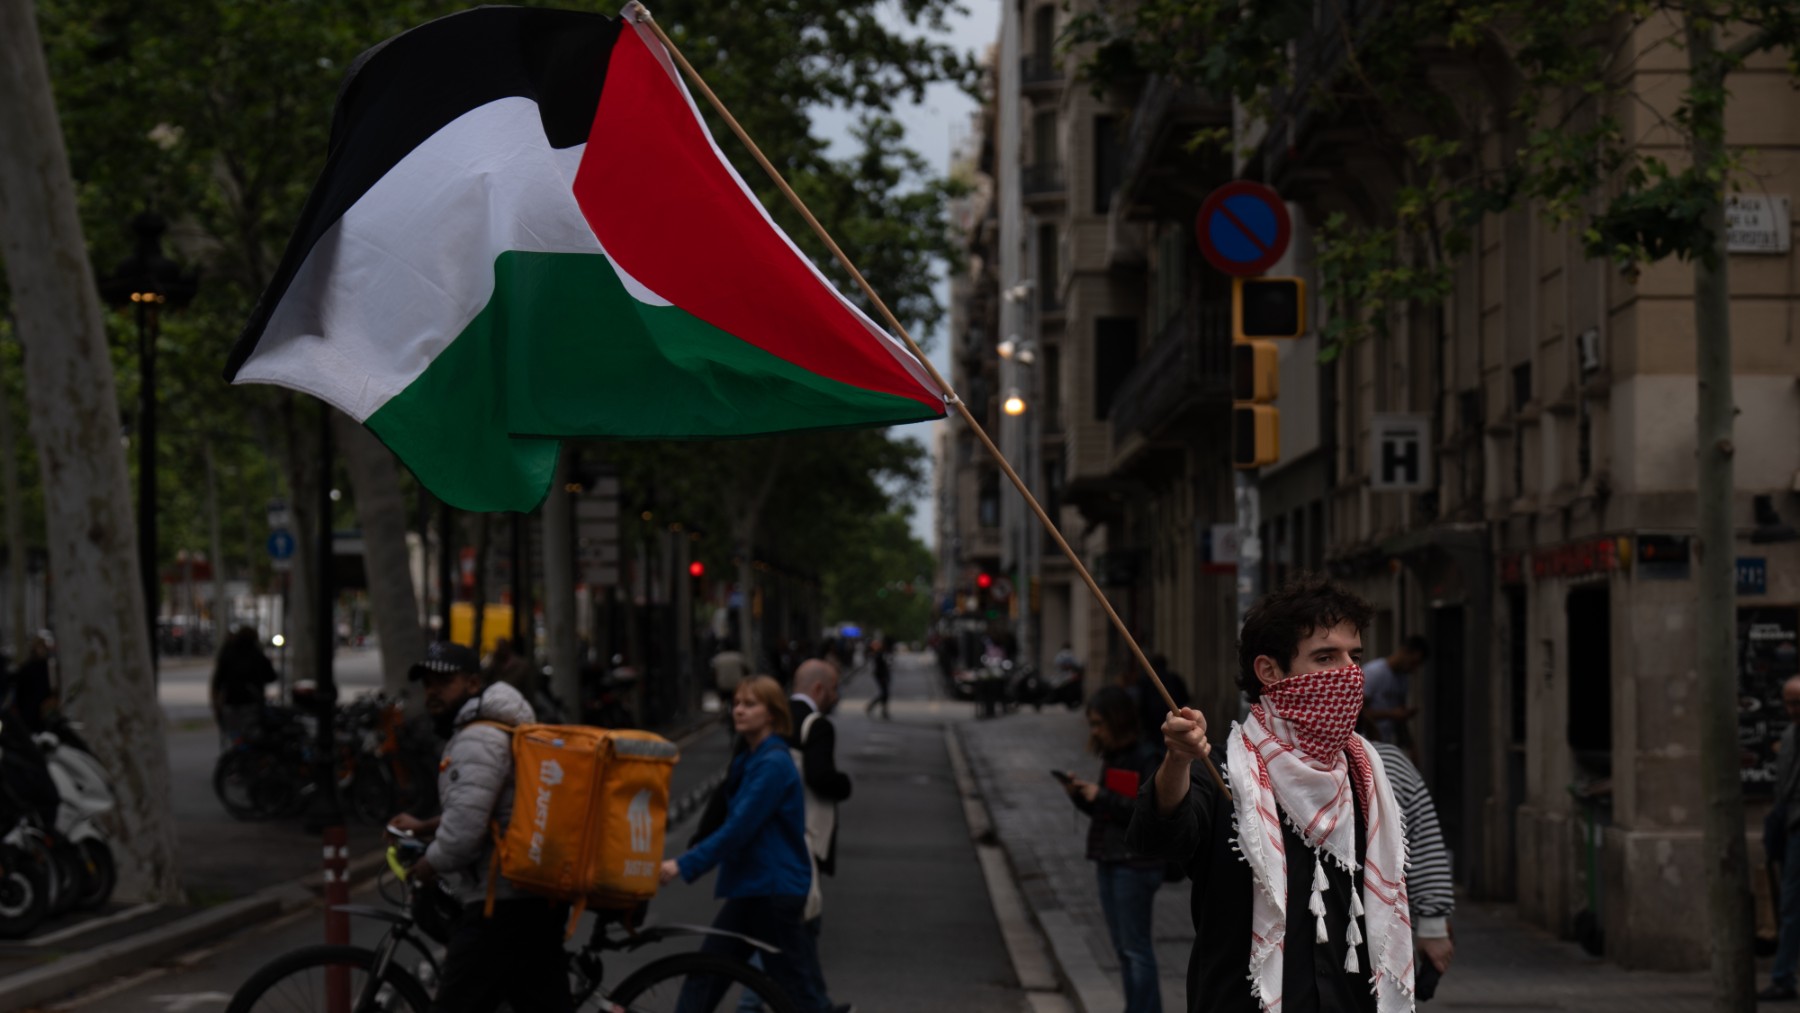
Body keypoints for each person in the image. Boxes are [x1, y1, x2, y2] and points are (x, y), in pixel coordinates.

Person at [1128, 575, 1412, 1013]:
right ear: (1269, 671)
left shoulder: (1368, 774)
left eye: (1354, 656)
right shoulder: (1222, 770)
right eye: (1325, 657)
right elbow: (1158, 837)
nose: (1349, 674)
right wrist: (1178, 760)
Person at [387, 641, 571, 1013]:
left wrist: (427, 866)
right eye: (427, 682)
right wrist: (425, 826)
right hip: (530, 895)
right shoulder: (496, 729)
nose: (432, 690)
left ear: (472, 683)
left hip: (500, 903)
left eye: (444, 680)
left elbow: (464, 835)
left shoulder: (478, 738)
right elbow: (490, 809)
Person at [660, 676, 836, 1013]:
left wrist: (682, 864)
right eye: (737, 703)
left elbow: (738, 828)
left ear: (771, 714)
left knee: (798, 995)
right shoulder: (752, 758)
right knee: (707, 973)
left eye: (750, 704)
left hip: (772, 891)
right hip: (755, 890)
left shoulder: (772, 764)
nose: (738, 710)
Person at [739, 659, 856, 1013]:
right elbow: (821, 778)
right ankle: (754, 1004)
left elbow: (732, 787)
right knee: (784, 932)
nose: (836, 696)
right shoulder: (813, 726)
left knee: (800, 928)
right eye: (834, 688)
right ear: (819, 689)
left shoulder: (763, 728)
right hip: (798, 843)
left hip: (763, 843)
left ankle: (816, 1001)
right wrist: (845, 784)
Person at [1063, 687, 1165, 1013]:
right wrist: (1080, 795)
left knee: (1135, 950)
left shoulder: (1148, 756)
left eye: (1098, 723)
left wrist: (1101, 796)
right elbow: (1107, 813)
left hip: (1135, 864)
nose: (1095, 731)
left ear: (1117, 720)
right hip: (1110, 858)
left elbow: (1149, 814)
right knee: (1124, 949)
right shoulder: (1115, 754)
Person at [1368, 741, 1455, 999]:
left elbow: (1421, 844)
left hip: (1377, 934)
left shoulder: (1382, 762)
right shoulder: (1249, 757)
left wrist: (1433, 927)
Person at [1760, 675, 1800, 1000]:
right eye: (1789, 702)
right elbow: (1782, 787)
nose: (1793, 709)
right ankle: (1784, 975)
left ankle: (1784, 974)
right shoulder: (1789, 735)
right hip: (1793, 828)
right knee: (1791, 904)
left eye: (1798, 702)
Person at [210, 627, 278, 747]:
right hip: (251, 704)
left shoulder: (228, 654)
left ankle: (237, 757)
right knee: (252, 738)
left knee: (235, 739)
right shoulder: (256, 654)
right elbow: (271, 676)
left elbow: (217, 682)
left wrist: (216, 705)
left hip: (230, 703)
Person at [1361, 636, 1429, 748]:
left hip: (1385, 743)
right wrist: (1391, 714)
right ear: (1404, 651)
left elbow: (1400, 719)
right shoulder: (1374, 672)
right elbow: (1358, 712)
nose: (1414, 669)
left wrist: (1410, 745)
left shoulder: (1403, 679)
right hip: (1366, 743)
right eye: (1413, 662)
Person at [7, 635, 56, 734]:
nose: (42, 650)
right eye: (39, 647)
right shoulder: (27, 668)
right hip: (30, 712)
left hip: (45, 712)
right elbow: (20, 692)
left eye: (43, 647)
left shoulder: (50, 667)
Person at [865, 639, 892, 720]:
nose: (878, 645)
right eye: (875, 644)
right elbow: (875, 668)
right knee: (884, 693)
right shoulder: (876, 655)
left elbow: (887, 663)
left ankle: (884, 710)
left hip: (884, 675)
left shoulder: (881, 653)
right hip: (881, 676)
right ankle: (872, 706)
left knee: (885, 694)